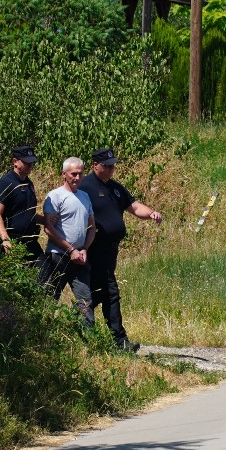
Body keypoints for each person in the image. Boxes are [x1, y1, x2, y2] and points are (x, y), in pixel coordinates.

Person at [79, 148, 163, 352]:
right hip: (94, 249)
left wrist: (151, 213)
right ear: (95, 165)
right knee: (110, 292)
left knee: (98, 293)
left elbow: (134, 207)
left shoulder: (116, 188)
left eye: (113, 165)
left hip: (111, 251)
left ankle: (78, 324)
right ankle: (119, 340)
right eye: (106, 166)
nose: (110, 169)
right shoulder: (85, 187)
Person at [38, 157, 96, 326]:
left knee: (85, 300)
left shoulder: (85, 196)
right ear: (64, 174)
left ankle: (90, 339)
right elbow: (49, 228)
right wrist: (70, 250)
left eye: (80, 174)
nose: (77, 178)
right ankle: (42, 333)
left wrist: (84, 248)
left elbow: (92, 227)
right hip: (59, 256)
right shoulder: (55, 196)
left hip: (80, 256)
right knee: (50, 297)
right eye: (73, 174)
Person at [0, 146, 44, 263]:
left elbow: (26, 212)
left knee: (44, 273)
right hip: (13, 242)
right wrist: (5, 240)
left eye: (32, 163)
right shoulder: (5, 182)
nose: (30, 166)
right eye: (27, 162)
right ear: (15, 162)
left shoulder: (29, 183)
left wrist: (46, 221)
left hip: (30, 242)